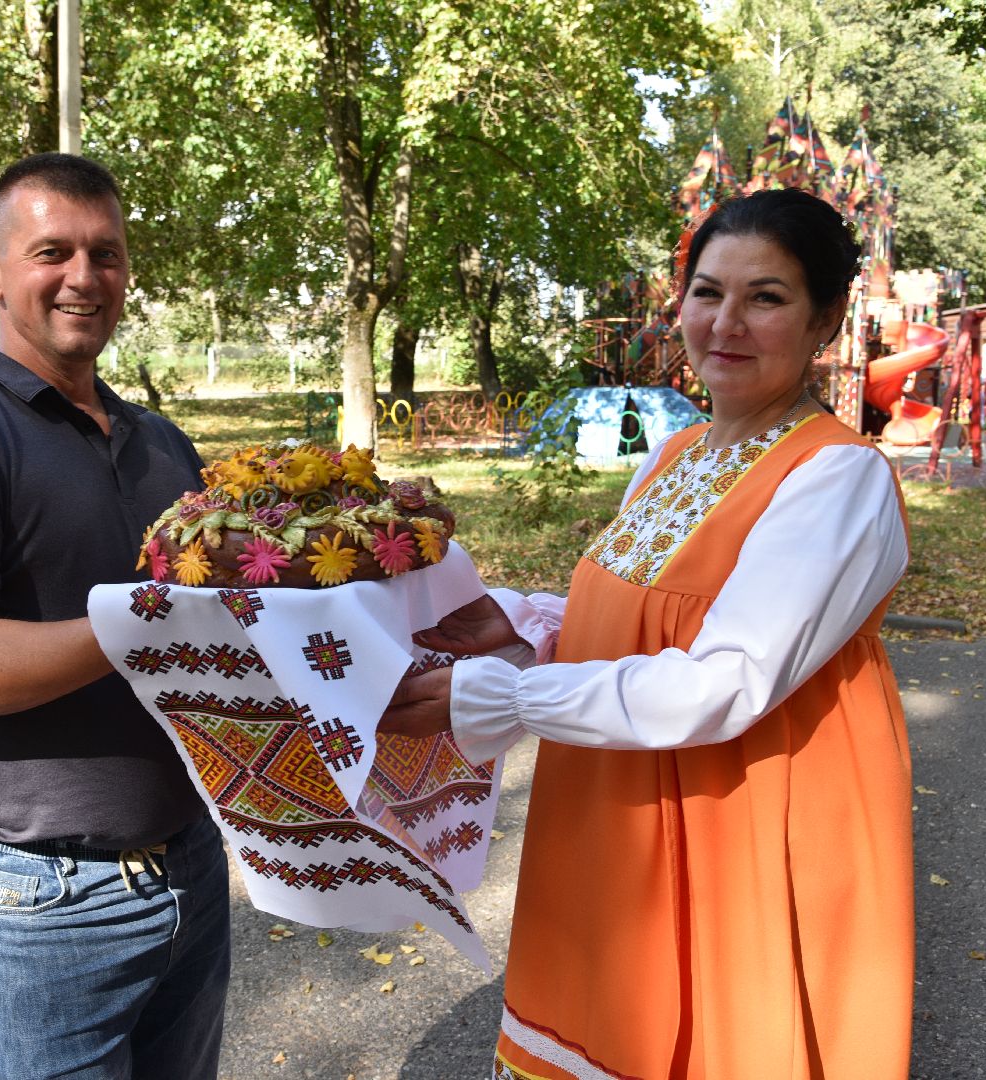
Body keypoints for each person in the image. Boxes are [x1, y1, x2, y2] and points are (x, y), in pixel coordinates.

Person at [383, 188, 914, 1079]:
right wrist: (516, 631)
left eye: (767, 297)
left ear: (824, 321)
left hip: (743, 807)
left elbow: (723, 682)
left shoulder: (838, 479)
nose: (726, 323)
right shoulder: (675, 457)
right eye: (707, 293)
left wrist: (504, 695)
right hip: (620, 803)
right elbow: (634, 625)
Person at [0, 153, 229, 1080]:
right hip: (41, 893)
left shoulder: (160, 440)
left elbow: (221, 621)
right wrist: (149, 621)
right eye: (51, 251)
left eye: (106, 254)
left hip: (191, 859)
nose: (83, 277)